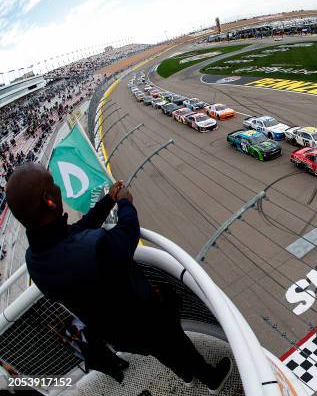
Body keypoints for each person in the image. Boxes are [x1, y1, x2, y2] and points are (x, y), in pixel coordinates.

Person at [5, 163, 231, 393]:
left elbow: (76, 231)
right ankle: (212, 379)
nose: (57, 187)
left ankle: (184, 374)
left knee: (161, 351)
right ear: (48, 199)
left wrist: (108, 200)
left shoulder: (35, 259)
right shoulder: (90, 250)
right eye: (52, 183)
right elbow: (127, 233)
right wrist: (125, 201)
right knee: (177, 344)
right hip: (144, 317)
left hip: (115, 332)